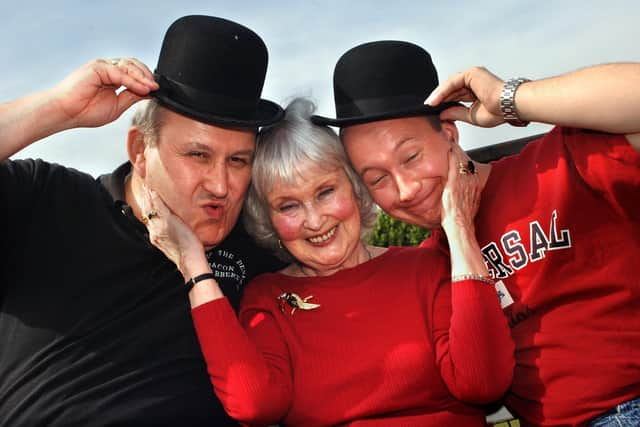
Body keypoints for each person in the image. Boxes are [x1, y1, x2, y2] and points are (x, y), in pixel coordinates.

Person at [311, 40, 640, 426]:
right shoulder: (430, 266)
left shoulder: (557, 166)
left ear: (450, 135)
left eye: (412, 157)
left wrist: (508, 99)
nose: (406, 189)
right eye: (377, 178)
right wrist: (459, 228)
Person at [142, 97, 515, 426]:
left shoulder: (425, 268)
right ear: (266, 219)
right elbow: (254, 404)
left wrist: (458, 226)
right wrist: (193, 263)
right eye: (288, 205)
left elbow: (483, 382)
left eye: (325, 192)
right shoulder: (269, 297)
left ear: (354, 187)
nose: (315, 220)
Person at [0, 15, 284, 425]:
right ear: (139, 149)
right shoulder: (47, 199)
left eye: (238, 161)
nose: (221, 185)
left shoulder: (261, 248)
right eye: (198, 155)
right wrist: (58, 108)